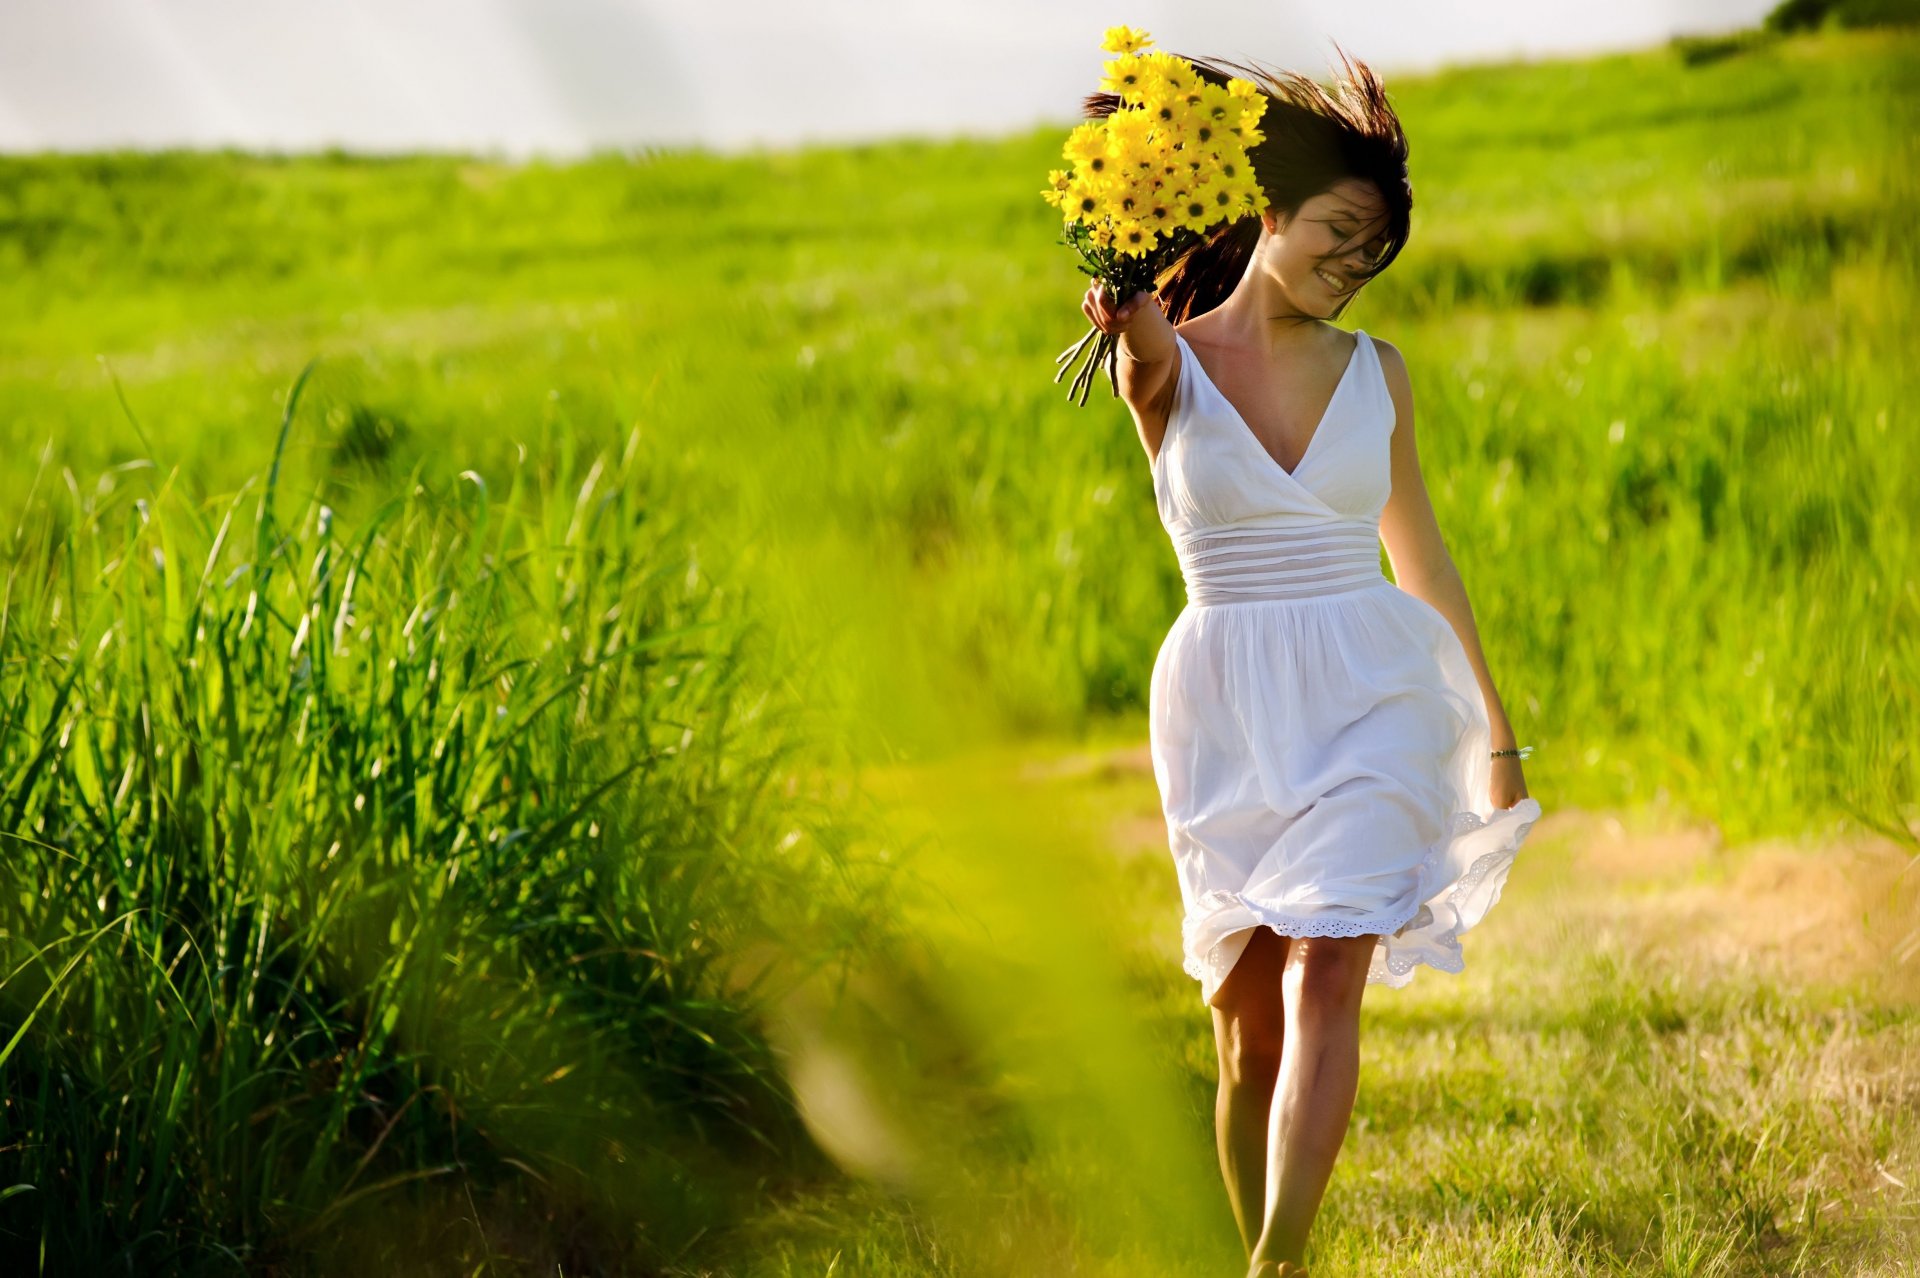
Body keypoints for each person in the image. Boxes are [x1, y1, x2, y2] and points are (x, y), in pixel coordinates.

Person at [1080, 44, 1544, 1278]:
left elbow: (1425, 565)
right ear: (1267, 211)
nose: (1353, 267)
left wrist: (1495, 740)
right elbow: (1132, 348)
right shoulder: (1165, 365)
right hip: (1227, 707)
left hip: (1371, 692)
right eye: (1338, 234)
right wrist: (1121, 297)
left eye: (1374, 253)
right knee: (1244, 1035)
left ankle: (1276, 1263)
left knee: (1331, 957)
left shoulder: (1376, 373)